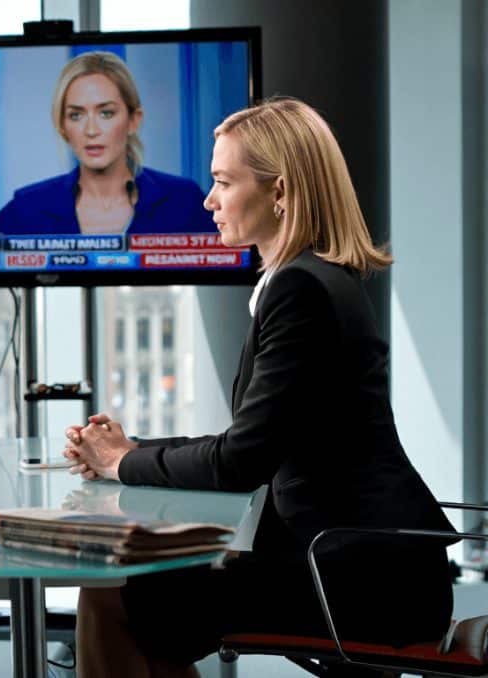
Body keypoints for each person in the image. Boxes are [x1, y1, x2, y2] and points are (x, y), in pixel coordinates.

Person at [62, 99, 454, 678]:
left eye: (223, 182)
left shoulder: (301, 290)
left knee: (114, 592)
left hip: (358, 581)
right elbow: (254, 438)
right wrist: (131, 448)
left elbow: (241, 460)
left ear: (281, 193)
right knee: (140, 600)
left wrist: (123, 462)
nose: (209, 200)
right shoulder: (312, 278)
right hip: (366, 563)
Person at [0, 51, 214, 237]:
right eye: (76, 115)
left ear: (133, 120)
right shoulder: (29, 206)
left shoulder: (184, 200)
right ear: (62, 126)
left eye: (106, 113)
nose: (91, 130)